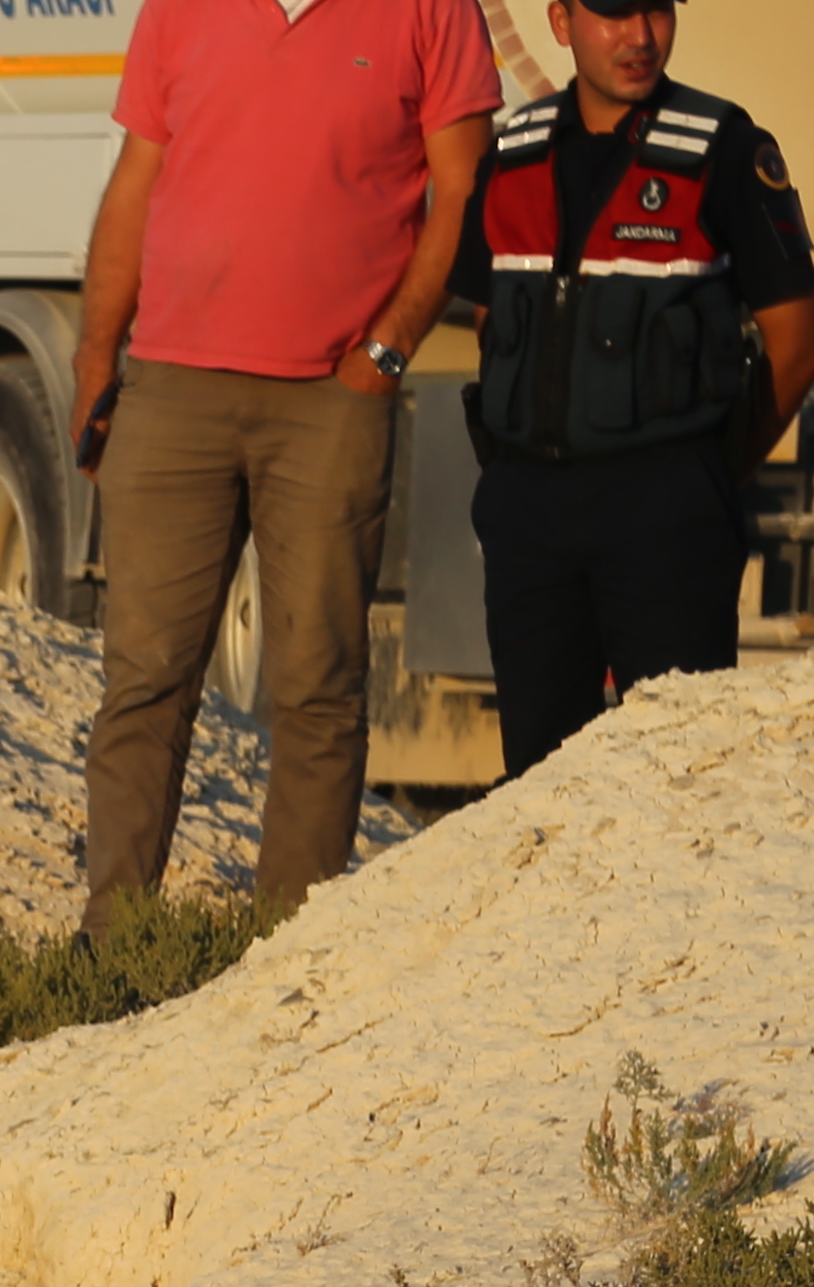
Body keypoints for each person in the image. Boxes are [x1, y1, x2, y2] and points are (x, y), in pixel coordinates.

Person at [71, 0, 501, 916]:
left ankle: (289, 947)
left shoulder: (432, 9)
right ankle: (114, 948)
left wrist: (386, 351)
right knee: (145, 679)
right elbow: (136, 181)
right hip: (172, 387)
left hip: (329, 401)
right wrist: (95, 358)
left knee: (317, 686)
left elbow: (463, 192)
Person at [454, 1, 814, 776]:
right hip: (530, 518)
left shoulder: (723, 148)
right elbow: (493, 323)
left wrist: (707, 479)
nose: (641, 36)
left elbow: (798, 347)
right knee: (538, 781)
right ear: (561, 22)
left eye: (656, 9)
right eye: (614, 12)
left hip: (666, 516)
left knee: (678, 781)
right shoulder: (512, 153)